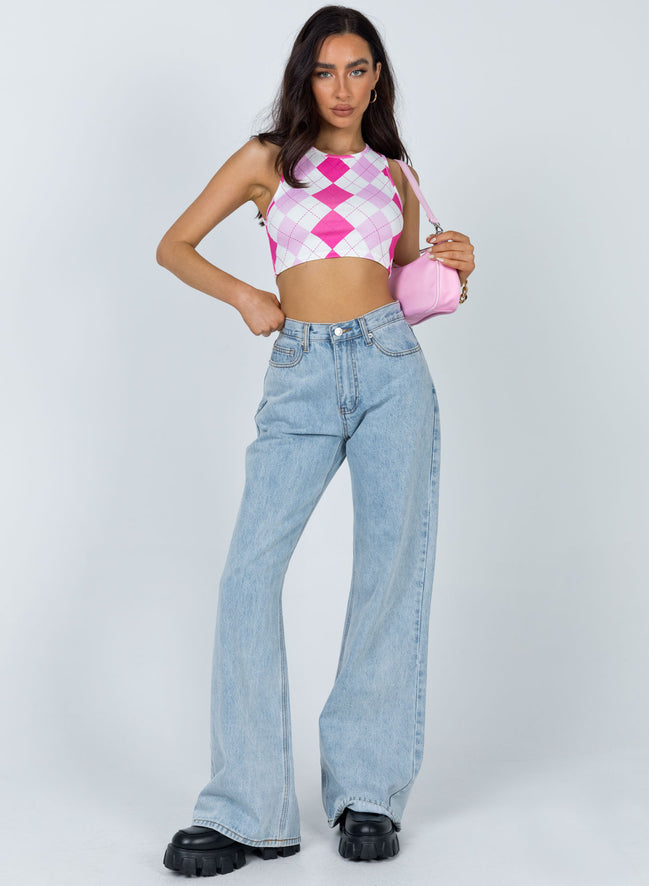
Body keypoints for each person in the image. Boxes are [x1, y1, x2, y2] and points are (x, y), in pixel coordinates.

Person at [156, 4, 475, 877]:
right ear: (306, 77)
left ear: (377, 79)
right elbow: (175, 246)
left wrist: (456, 266)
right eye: (326, 71)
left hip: (390, 367)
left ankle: (368, 794)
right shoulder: (268, 160)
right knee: (248, 575)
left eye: (357, 69)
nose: (341, 87)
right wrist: (247, 297)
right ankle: (246, 808)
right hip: (300, 372)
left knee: (389, 573)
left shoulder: (396, 173)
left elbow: (402, 282)